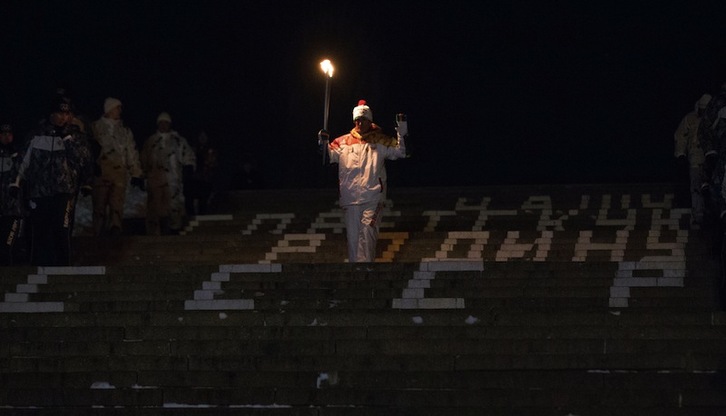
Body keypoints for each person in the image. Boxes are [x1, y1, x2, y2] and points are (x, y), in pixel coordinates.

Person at [10, 93, 94, 266]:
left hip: (63, 191)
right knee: (39, 232)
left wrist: (67, 139)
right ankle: (38, 268)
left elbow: (83, 160)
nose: (63, 117)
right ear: (51, 114)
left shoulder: (75, 136)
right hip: (39, 192)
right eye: (59, 113)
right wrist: (16, 183)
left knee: (61, 230)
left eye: (66, 113)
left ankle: (63, 267)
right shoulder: (36, 135)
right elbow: (22, 161)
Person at [328, 100, 407, 262]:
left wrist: (402, 132)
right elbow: (326, 156)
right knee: (353, 238)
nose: (359, 122)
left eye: (362, 119)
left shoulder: (380, 141)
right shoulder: (342, 142)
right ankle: (355, 272)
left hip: (372, 197)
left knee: (367, 232)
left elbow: (401, 152)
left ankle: (365, 270)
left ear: (369, 121)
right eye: (356, 119)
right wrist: (322, 142)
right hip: (350, 198)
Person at [90, 97, 144, 236]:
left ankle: (115, 230)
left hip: (119, 173)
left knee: (117, 205)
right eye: (117, 107)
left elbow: (131, 152)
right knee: (99, 206)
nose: (120, 110)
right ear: (109, 109)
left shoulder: (124, 131)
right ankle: (97, 233)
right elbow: (88, 150)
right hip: (101, 171)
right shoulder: (95, 128)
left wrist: (136, 173)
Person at [140, 112, 195, 235]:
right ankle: (154, 232)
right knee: (154, 206)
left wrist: (189, 165)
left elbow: (188, 155)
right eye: (161, 123)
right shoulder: (151, 141)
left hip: (173, 179)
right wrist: (141, 174)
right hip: (155, 179)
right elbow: (144, 159)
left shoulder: (178, 140)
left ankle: (174, 228)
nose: (163, 125)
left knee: (174, 205)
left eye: (166, 123)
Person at [674, 93, 711, 226]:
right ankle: (699, 214)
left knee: (710, 188)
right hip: (695, 159)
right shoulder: (690, 119)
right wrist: (680, 154)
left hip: (711, 160)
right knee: (696, 187)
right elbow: (681, 136)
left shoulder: (714, 119)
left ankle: (709, 213)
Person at [0, 123, 25, 265]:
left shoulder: (19, 154)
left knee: (8, 245)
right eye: (3, 134)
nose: (6, 137)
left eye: (9, 134)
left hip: (13, 209)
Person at [184, 130, 218, 216]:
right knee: (188, 197)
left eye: (204, 136)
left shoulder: (211, 150)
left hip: (205, 180)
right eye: (200, 136)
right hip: (194, 179)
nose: (202, 138)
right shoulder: (193, 149)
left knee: (203, 202)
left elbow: (212, 164)